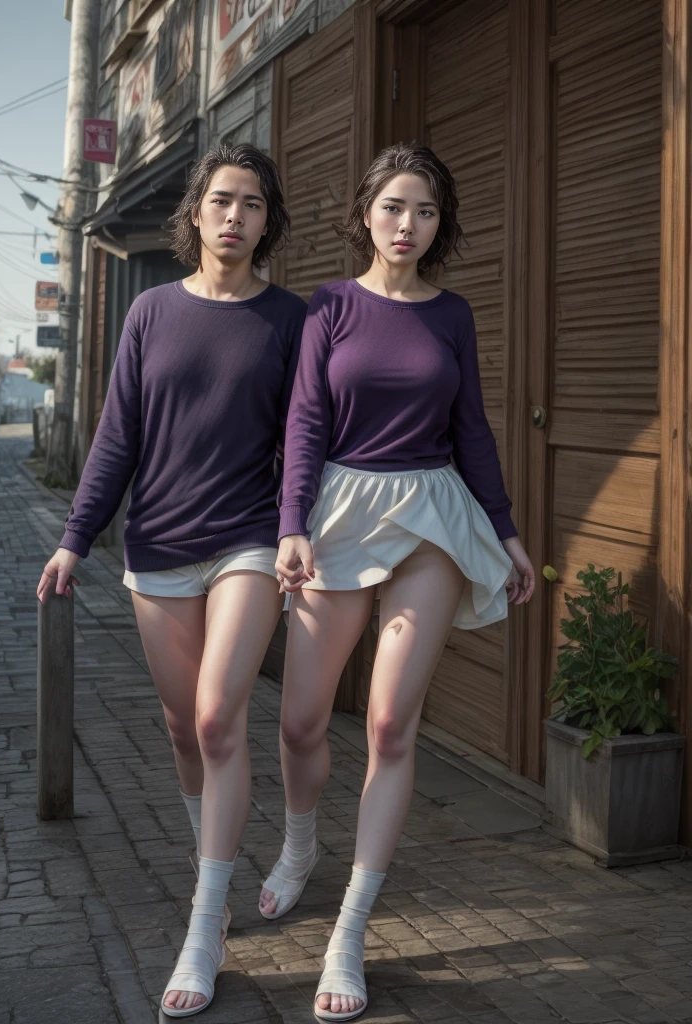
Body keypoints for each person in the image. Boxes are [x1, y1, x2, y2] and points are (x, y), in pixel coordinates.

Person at [259, 142, 535, 1022]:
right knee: (302, 720)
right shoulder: (332, 306)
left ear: (439, 223)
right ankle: (300, 845)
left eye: (423, 211)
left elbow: (474, 430)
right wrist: (291, 522)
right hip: (338, 513)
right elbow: (305, 419)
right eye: (392, 208)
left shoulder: (452, 315)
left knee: (387, 722)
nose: (407, 225)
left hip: (430, 518)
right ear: (366, 215)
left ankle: (350, 928)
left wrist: (506, 530)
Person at [36, 143, 307, 1018]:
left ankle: (203, 925)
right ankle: (216, 874)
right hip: (155, 546)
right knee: (182, 731)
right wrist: (76, 539)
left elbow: (308, 440)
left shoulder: (290, 320)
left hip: (248, 543)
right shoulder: (151, 312)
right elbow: (118, 434)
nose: (235, 216)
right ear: (195, 214)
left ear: (269, 222)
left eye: (253, 204)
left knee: (219, 716)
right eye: (222, 200)